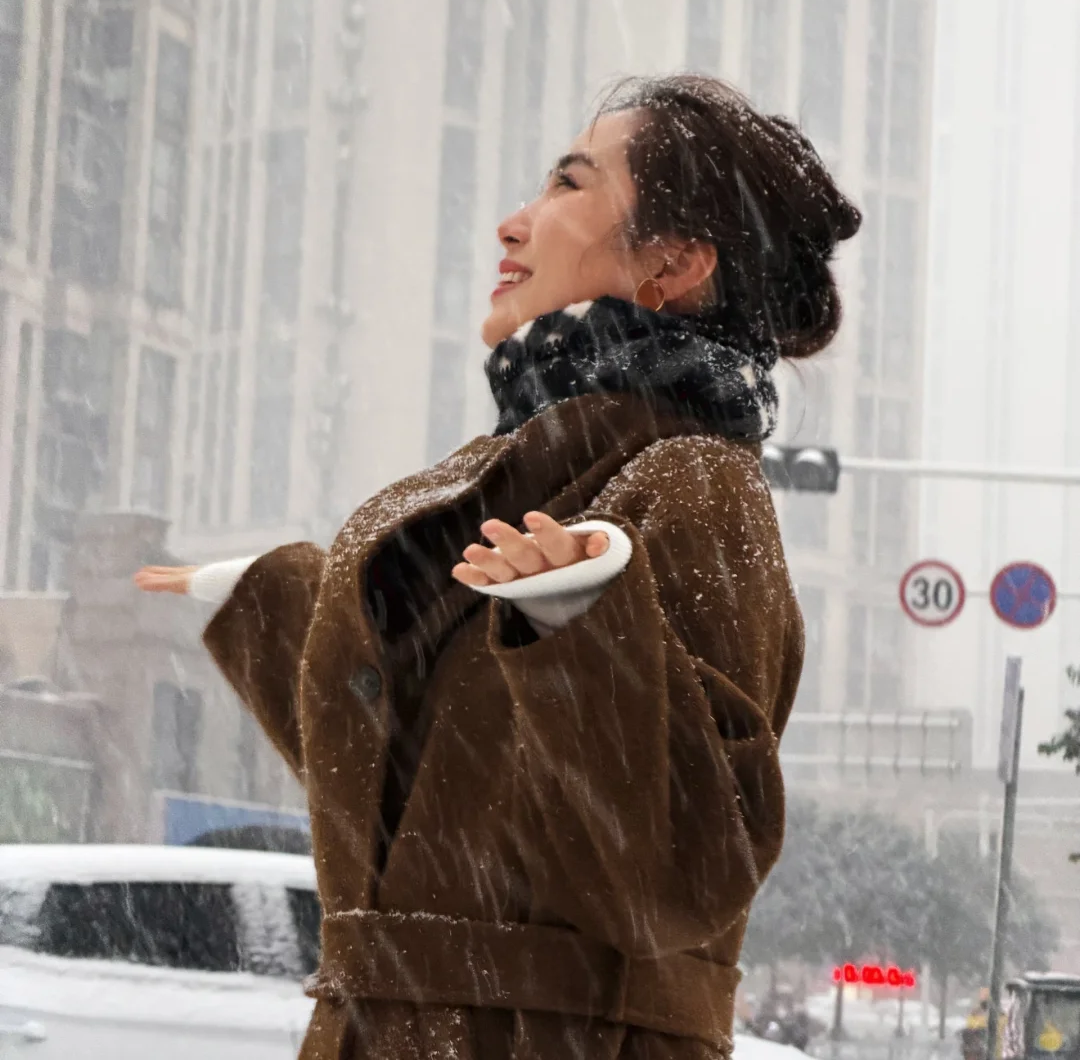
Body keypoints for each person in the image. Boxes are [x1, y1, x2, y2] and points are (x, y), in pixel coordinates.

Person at [136, 74, 861, 1060]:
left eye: (569, 185)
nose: (513, 224)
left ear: (676, 262)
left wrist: (581, 625)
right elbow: (422, 806)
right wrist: (274, 596)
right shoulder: (522, 474)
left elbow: (688, 868)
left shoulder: (689, 483)